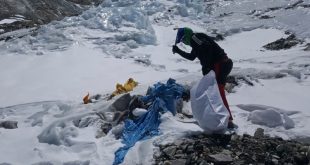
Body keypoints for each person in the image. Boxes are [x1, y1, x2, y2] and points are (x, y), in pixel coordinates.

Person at [172, 27, 234, 128]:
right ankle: (223, 117)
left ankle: (228, 120)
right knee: (217, 92)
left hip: (220, 64)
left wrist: (207, 66)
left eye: (183, 39)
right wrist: (178, 51)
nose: (184, 41)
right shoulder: (195, 44)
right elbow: (192, 57)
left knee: (218, 92)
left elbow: (207, 46)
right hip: (222, 63)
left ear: (187, 35)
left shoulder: (195, 37)